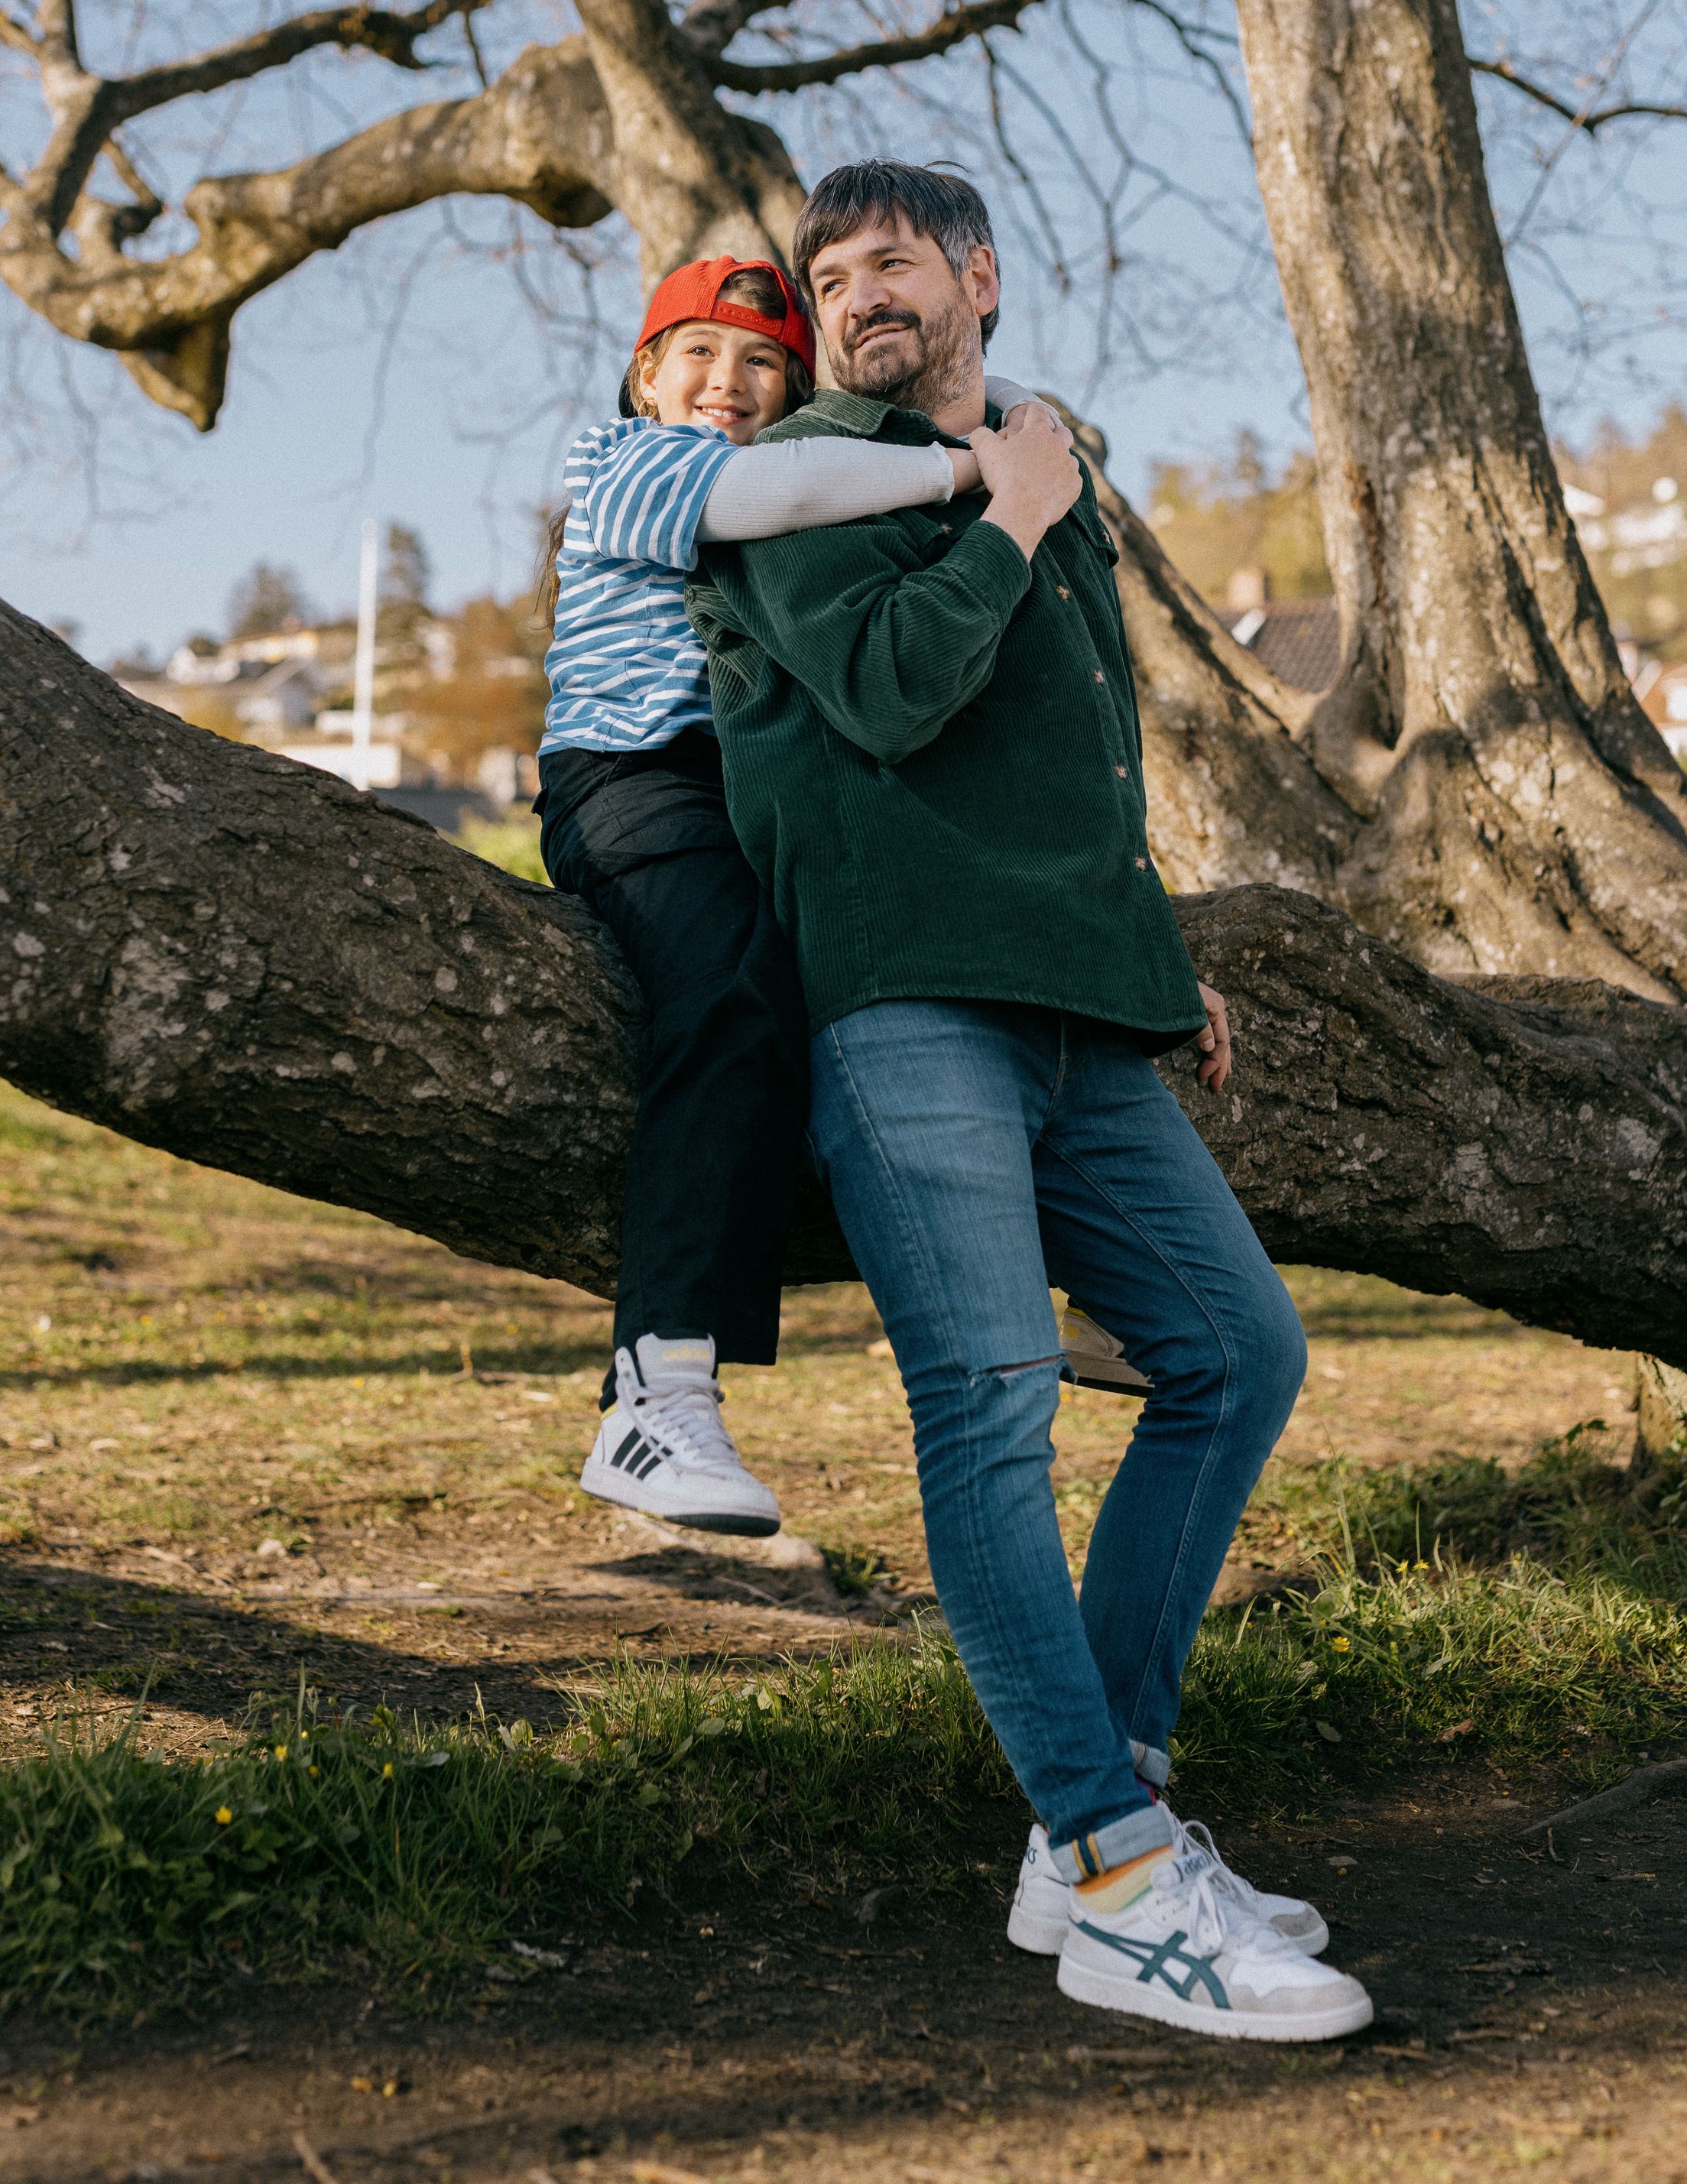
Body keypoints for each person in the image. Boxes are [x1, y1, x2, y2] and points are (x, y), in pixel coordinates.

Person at [687, 165, 1372, 2040]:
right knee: (990, 1407)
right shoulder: (798, 476)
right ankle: (1122, 1874)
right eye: (829, 276)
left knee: (1239, 1351)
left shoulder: (1040, 467)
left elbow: (1076, 765)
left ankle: (1104, 1808)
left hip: (1081, 1012)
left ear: (980, 274)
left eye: (893, 260)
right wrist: (1016, 507)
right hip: (906, 1009)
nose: (854, 296)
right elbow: (901, 694)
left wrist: (1150, 963)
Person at [534, 252, 1053, 1540]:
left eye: (763, 361)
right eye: (698, 354)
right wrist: (973, 468)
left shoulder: (794, 490)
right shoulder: (626, 465)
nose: (730, 381)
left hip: (760, 804)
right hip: (636, 777)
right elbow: (774, 488)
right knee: (729, 995)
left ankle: (1072, 1288)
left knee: (942, 995)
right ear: (646, 376)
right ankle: (652, 1400)